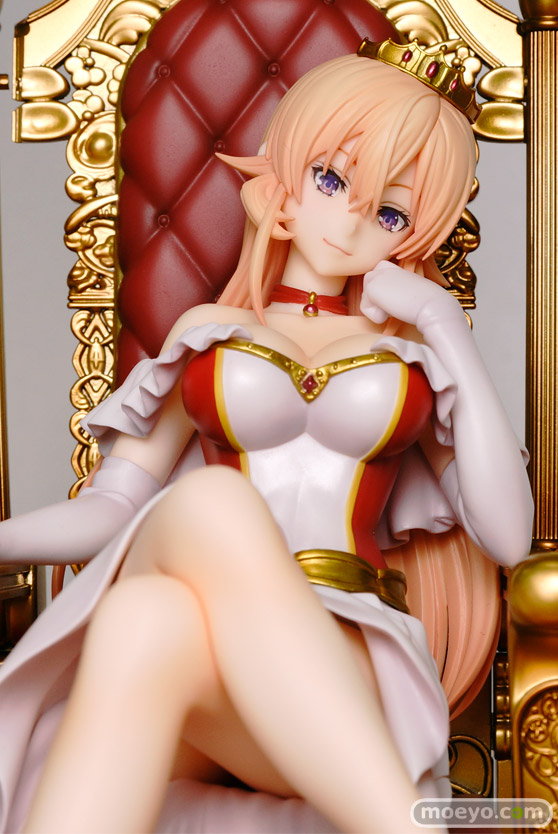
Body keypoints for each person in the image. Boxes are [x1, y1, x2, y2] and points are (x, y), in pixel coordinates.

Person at [0, 40, 533, 834]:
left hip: (352, 648)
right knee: (152, 604)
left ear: (411, 234)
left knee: (162, 582)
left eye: (388, 213)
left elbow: (509, 536)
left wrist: (443, 323)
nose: (349, 222)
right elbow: (112, 509)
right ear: (289, 169)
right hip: (215, 664)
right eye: (331, 179)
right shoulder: (209, 330)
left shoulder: (411, 355)